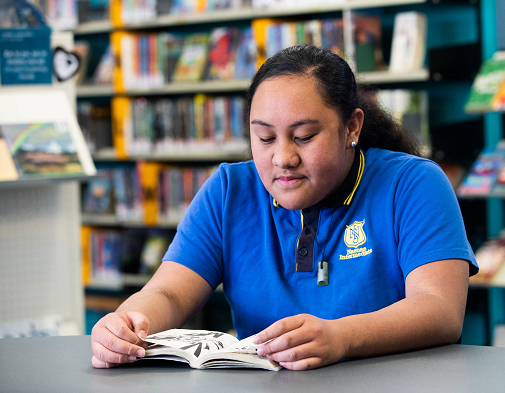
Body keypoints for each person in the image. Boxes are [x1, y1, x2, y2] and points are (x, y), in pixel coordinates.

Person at [90, 45, 478, 371]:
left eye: (304, 137)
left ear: (351, 128)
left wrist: (340, 337)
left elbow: (439, 309)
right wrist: (127, 322)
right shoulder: (228, 191)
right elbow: (169, 295)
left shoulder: (413, 184)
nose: (282, 158)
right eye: (264, 137)